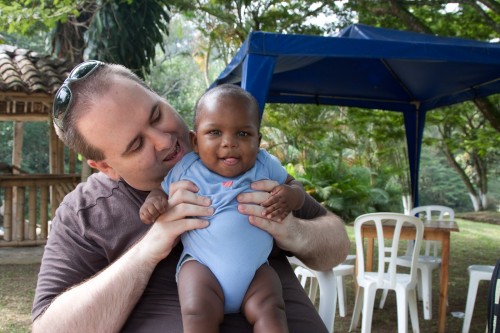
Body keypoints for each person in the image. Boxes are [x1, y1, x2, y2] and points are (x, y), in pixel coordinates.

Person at [31, 60, 350, 333]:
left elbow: (335, 246)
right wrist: (148, 251)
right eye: (136, 145)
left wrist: (294, 232)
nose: (163, 140)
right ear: (105, 166)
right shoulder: (85, 213)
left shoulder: (245, 164)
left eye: (156, 115)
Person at [140, 84, 305, 332]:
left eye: (243, 134)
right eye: (215, 132)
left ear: (258, 140)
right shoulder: (187, 168)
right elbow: (161, 191)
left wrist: (291, 196)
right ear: (195, 141)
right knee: (197, 311)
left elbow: (297, 187)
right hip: (202, 267)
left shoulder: (265, 164)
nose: (229, 143)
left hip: (256, 271)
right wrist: (154, 202)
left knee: (272, 308)